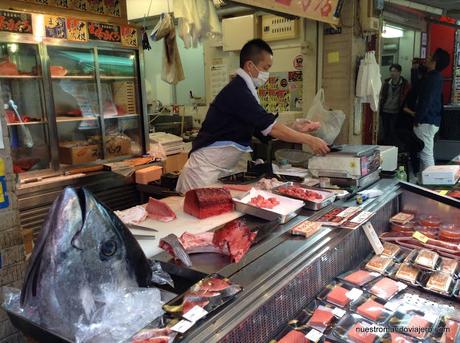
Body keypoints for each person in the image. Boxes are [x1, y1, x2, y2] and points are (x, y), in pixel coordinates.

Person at [176, 39, 330, 194]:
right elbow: (270, 127)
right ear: (250, 65)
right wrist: (309, 140)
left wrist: (295, 127)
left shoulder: (245, 91)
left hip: (218, 172)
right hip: (201, 174)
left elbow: (262, 128)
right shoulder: (238, 92)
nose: (267, 74)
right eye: (265, 68)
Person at [408, 48, 450, 171]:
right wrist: (414, 69)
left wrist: (417, 119)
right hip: (430, 119)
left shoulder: (433, 78)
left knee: (426, 155)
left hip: (426, 121)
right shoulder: (433, 76)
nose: (426, 58)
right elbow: (417, 87)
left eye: (430, 56)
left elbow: (426, 100)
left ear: (435, 61)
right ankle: (424, 181)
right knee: (423, 152)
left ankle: (431, 184)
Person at [379, 64, 410, 145]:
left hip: (396, 111)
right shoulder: (386, 83)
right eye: (391, 71)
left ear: (399, 72)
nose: (392, 73)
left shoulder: (404, 84)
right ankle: (385, 146)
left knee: (393, 131)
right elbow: (382, 96)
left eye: (395, 71)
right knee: (385, 130)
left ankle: (393, 147)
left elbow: (406, 96)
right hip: (386, 110)